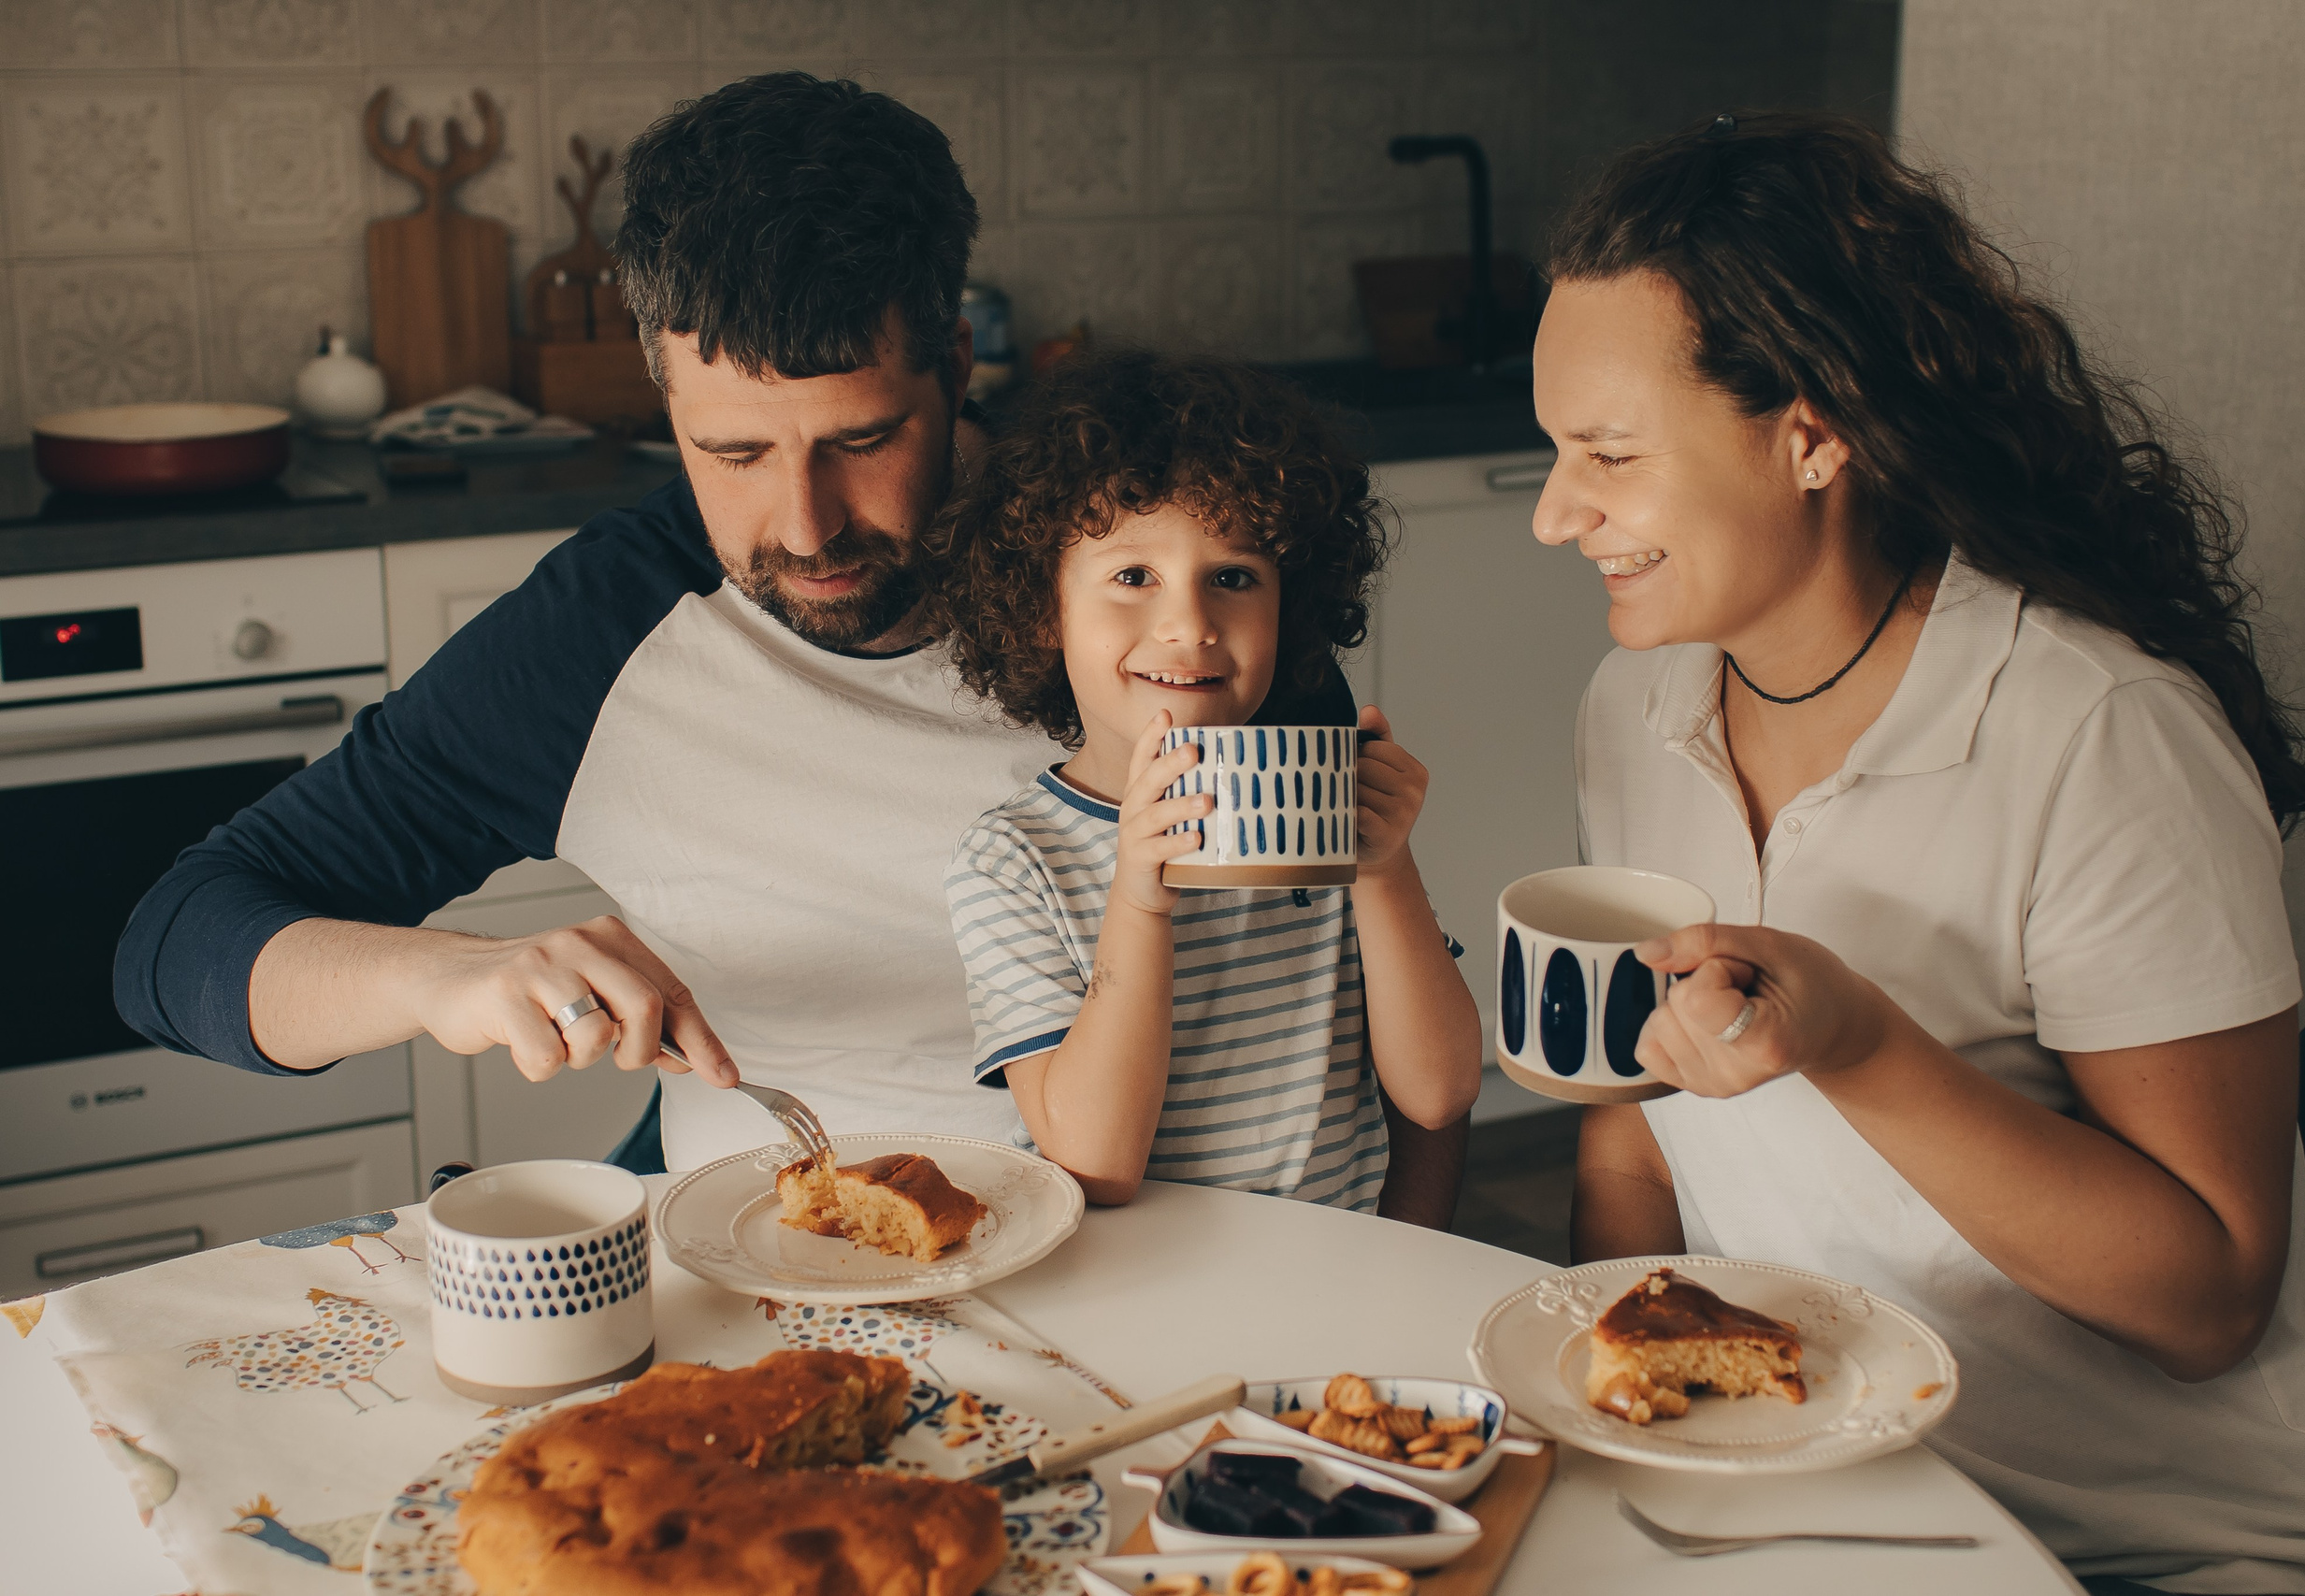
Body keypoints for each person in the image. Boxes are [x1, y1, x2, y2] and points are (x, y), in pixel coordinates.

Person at [108, 73, 1445, 1184]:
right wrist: (449, 977)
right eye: (732, 450)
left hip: (1164, 1258)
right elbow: (175, 942)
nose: (804, 526)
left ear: (955, 364)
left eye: (862, 440)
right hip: (762, 1264)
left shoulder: (1153, 587)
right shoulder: (606, 631)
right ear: (661, 397)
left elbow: (1354, 1026)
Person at [1540, 113, 2305, 1593]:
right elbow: (1638, 1127)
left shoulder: (2098, 731)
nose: (1559, 514)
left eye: (1609, 455)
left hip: (2181, 1539)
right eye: (1555, 453)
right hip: (1838, 1488)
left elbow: (2209, 1298)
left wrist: (1858, 1036)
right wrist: (1607, 1415)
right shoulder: (1638, 703)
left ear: (1813, 434)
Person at [929, 352, 1482, 1214]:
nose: (1189, 623)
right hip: (1141, 1300)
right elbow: (1096, 1163)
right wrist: (1140, 902)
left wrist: (1385, 870)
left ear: (1286, 608)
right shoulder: (1013, 861)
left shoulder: (1318, 813)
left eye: (1233, 578)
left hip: (1335, 1281)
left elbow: (1440, 1093)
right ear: (1044, 610)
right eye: (1132, 577)